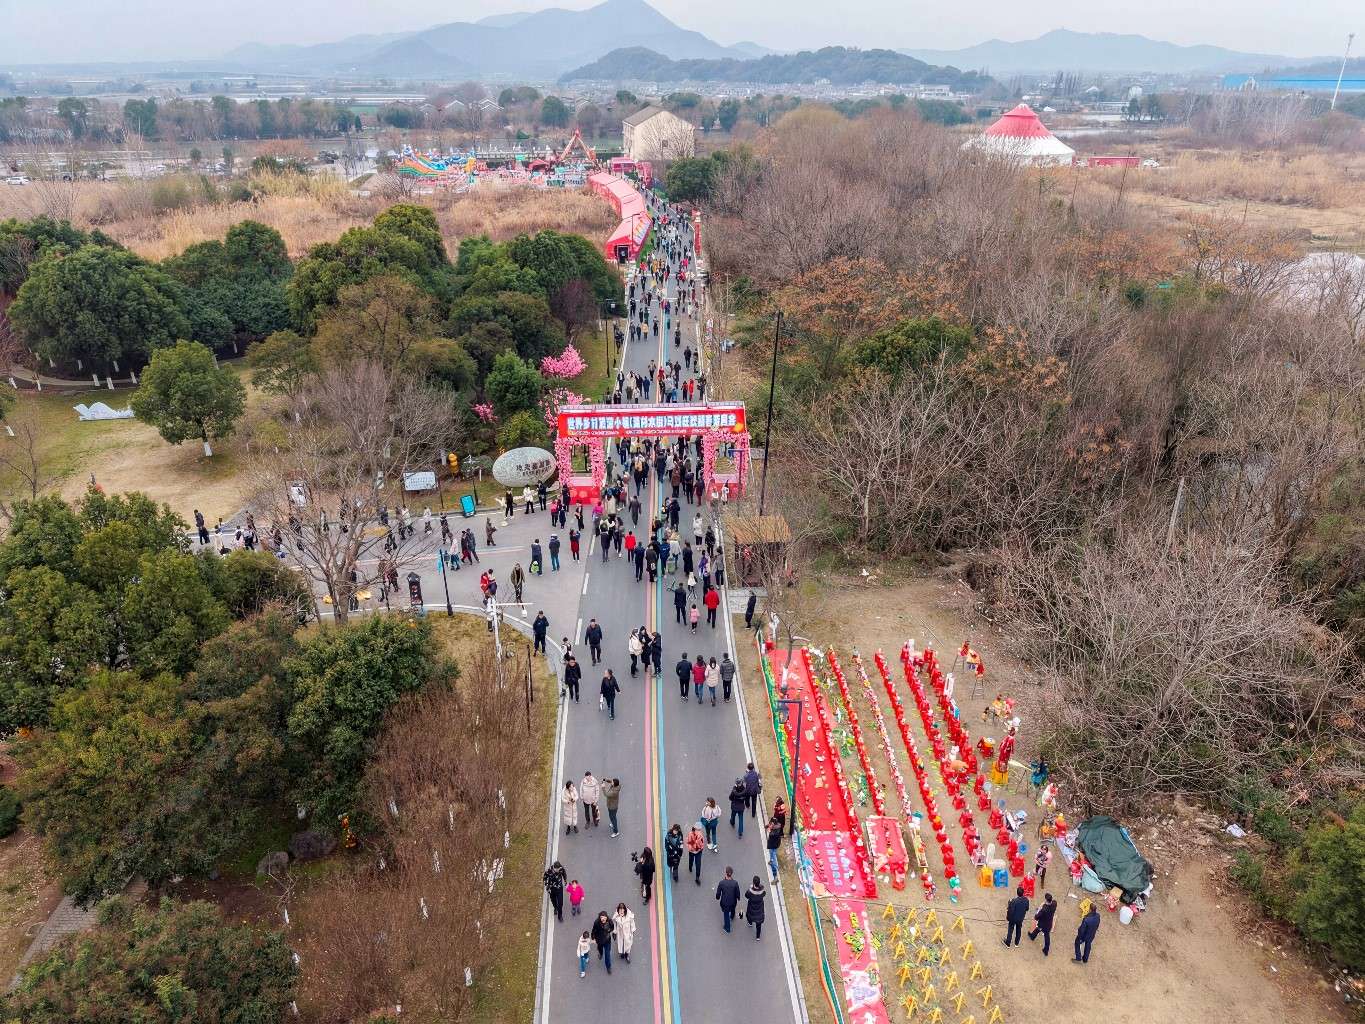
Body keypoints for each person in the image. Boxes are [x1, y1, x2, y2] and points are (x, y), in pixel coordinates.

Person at [1029, 892, 1057, 956]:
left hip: (1042, 924)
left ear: (1046, 900)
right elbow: (1054, 902)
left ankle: (1032, 936)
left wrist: (1036, 915)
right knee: (1046, 936)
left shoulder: (1044, 909)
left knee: (1039, 929)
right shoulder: (1054, 904)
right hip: (1049, 924)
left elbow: (1037, 917)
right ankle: (1046, 949)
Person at [715, 867, 741, 933]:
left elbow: (718, 894)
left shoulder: (721, 883)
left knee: (726, 915)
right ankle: (732, 916)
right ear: (731, 874)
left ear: (726, 873)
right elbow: (737, 892)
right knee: (732, 909)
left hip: (725, 903)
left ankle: (727, 928)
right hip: (733, 902)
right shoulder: (735, 883)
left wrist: (717, 897)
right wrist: (738, 898)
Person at [743, 876, 767, 940]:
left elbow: (746, 895)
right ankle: (758, 937)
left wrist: (751, 887)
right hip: (759, 910)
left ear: (753, 883)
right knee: (758, 925)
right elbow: (764, 894)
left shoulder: (750, 891)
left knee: (750, 916)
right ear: (759, 883)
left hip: (751, 908)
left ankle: (750, 923)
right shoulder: (762, 890)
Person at [765, 815, 783, 880]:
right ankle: (771, 860)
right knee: (771, 853)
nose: (770, 823)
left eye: (771, 823)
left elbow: (771, 834)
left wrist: (769, 829)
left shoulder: (774, 831)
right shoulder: (777, 826)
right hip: (775, 844)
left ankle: (775, 875)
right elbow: (767, 826)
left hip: (773, 845)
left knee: (773, 856)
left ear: (773, 824)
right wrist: (769, 826)